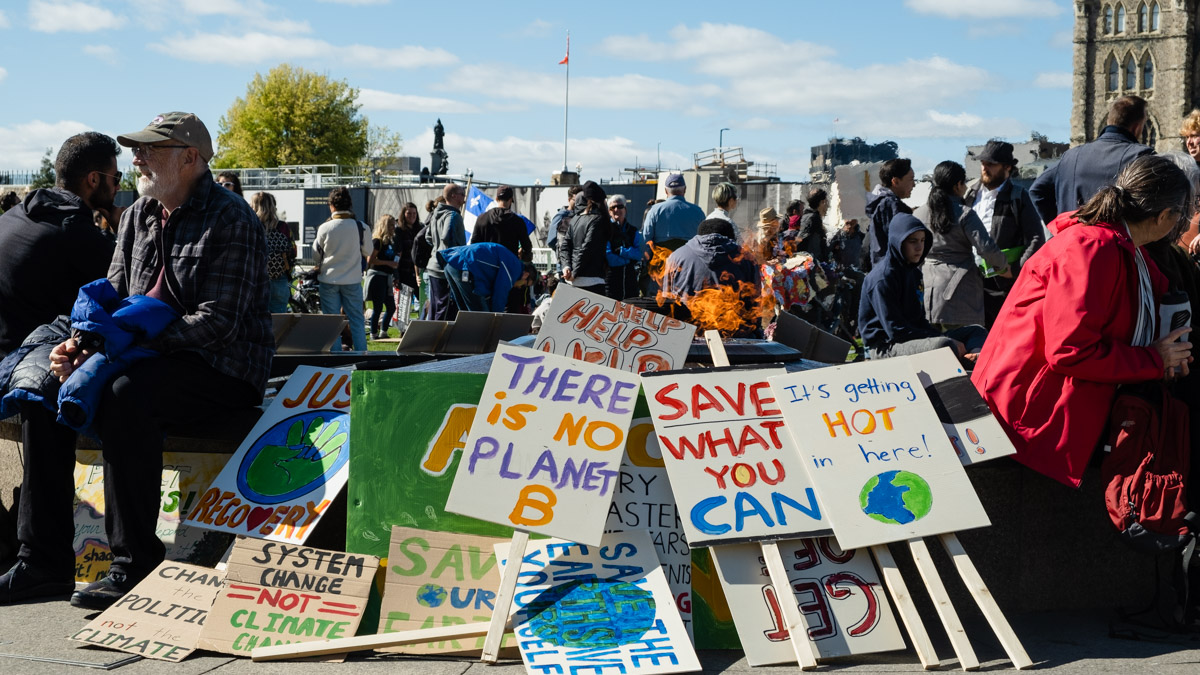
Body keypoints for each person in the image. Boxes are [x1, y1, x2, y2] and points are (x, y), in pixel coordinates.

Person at [0, 111, 273, 608]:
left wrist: (118, 350)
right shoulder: (137, 216)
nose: (137, 158)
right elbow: (109, 301)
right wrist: (80, 345)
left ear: (190, 158)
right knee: (43, 387)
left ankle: (133, 565)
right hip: (145, 354)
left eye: (150, 149)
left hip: (223, 368)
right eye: (136, 149)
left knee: (128, 395)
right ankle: (43, 562)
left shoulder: (232, 217)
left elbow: (217, 324)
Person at [974, 155, 1194, 487]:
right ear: (1165, 216)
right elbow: (1069, 350)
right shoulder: (1093, 248)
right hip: (1026, 419)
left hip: (1043, 408)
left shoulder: (1121, 245)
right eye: (1182, 215)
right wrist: (1154, 359)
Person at [0, 132, 120, 357]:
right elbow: (128, 286)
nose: (118, 187)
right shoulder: (75, 231)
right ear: (93, 179)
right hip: (28, 366)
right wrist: (123, 231)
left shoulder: (15, 215)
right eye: (116, 177)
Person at [858, 213, 985, 360]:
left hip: (914, 338)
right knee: (944, 346)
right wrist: (938, 339)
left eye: (923, 240)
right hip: (886, 346)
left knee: (976, 331)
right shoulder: (882, 278)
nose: (919, 247)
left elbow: (919, 321)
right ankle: (967, 361)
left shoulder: (914, 273)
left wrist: (935, 336)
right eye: (913, 241)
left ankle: (975, 359)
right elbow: (896, 331)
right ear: (898, 242)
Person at [914, 161, 1009, 329]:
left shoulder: (918, 213)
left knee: (935, 348)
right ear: (958, 185)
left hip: (927, 285)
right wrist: (1004, 266)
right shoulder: (964, 213)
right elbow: (986, 248)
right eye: (964, 183)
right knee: (966, 346)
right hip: (959, 288)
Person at [1030, 95, 1154, 224]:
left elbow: (1037, 190)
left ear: (1109, 120)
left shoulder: (1071, 156)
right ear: (1137, 127)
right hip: (1118, 242)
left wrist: (1060, 227)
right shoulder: (1142, 157)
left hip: (1071, 241)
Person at [964, 140, 1046, 326]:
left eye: (991, 164)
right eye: (983, 163)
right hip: (971, 282)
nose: (985, 168)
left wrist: (1016, 269)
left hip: (1003, 285)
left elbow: (1036, 238)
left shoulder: (1018, 196)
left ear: (1007, 167)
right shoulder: (969, 194)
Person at [314, 187, 371, 351]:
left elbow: (316, 256)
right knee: (357, 321)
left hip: (329, 279)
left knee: (332, 323)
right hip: (352, 280)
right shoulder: (362, 227)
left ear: (331, 205)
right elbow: (367, 251)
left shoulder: (325, 228)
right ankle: (362, 355)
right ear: (350, 204)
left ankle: (336, 357)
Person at [662, 218, 759, 303]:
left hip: (685, 322)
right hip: (733, 321)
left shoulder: (676, 256)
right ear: (731, 239)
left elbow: (667, 300)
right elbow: (755, 300)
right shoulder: (747, 258)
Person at [437, 242, 536, 313]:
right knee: (481, 316)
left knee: (465, 312)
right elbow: (500, 292)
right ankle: (480, 342)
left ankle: (467, 341)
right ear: (526, 275)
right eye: (525, 285)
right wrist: (497, 317)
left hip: (452, 261)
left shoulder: (511, 260)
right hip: (464, 265)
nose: (520, 287)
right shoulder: (515, 268)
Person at [559, 181, 610, 296]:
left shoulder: (575, 219)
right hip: (593, 280)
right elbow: (587, 248)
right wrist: (575, 273)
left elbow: (565, 247)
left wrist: (567, 268)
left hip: (573, 282)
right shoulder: (598, 220)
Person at [425, 183, 467, 320]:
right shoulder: (453, 215)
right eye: (462, 194)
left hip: (433, 266)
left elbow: (428, 236)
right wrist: (452, 253)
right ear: (453, 196)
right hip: (445, 270)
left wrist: (438, 249)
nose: (464, 197)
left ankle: (431, 338)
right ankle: (439, 339)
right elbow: (447, 236)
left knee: (435, 307)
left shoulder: (437, 213)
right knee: (444, 308)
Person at [865, 158, 915, 268]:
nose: (914, 185)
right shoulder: (891, 206)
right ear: (896, 181)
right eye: (911, 179)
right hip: (893, 271)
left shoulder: (880, 203)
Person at [252, 191, 295, 313]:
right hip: (279, 279)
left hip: (256, 280)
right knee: (278, 323)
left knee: (257, 322)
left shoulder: (251, 225)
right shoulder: (283, 227)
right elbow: (293, 251)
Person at [642, 173, 705, 252]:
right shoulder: (698, 212)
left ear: (666, 191)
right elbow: (704, 240)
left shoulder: (654, 211)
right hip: (688, 261)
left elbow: (646, 239)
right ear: (685, 189)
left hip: (663, 261)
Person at [471, 185, 533, 262]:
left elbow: (474, 245)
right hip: (508, 266)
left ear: (496, 199)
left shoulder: (482, 218)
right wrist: (523, 255)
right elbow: (527, 246)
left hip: (487, 265)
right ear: (510, 200)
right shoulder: (517, 221)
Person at [605, 194, 644, 301]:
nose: (617, 210)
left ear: (625, 209)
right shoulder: (605, 230)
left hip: (630, 279)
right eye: (613, 207)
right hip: (612, 279)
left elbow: (640, 254)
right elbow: (609, 257)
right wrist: (629, 260)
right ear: (609, 211)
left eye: (620, 206)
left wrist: (622, 251)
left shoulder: (633, 230)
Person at [366, 214, 399, 339]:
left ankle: (383, 331)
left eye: (394, 225)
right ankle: (373, 333)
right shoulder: (377, 241)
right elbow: (371, 260)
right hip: (377, 277)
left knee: (391, 307)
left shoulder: (390, 242)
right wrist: (388, 263)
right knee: (378, 306)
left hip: (387, 276)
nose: (393, 228)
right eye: (390, 225)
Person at [394, 201, 421, 302]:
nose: (412, 216)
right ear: (403, 214)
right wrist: (395, 275)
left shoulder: (420, 228)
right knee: (403, 303)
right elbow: (397, 253)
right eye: (409, 213)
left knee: (424, 301)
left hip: (417, 271)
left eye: (414, 213)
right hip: (403, 272)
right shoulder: (399, 230)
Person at [797, 188, 829, 261]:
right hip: (811, 264)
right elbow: (801, 239)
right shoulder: (813, 218)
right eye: (826, 202)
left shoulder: (807, 216)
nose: (828, 206)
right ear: (822, 202)